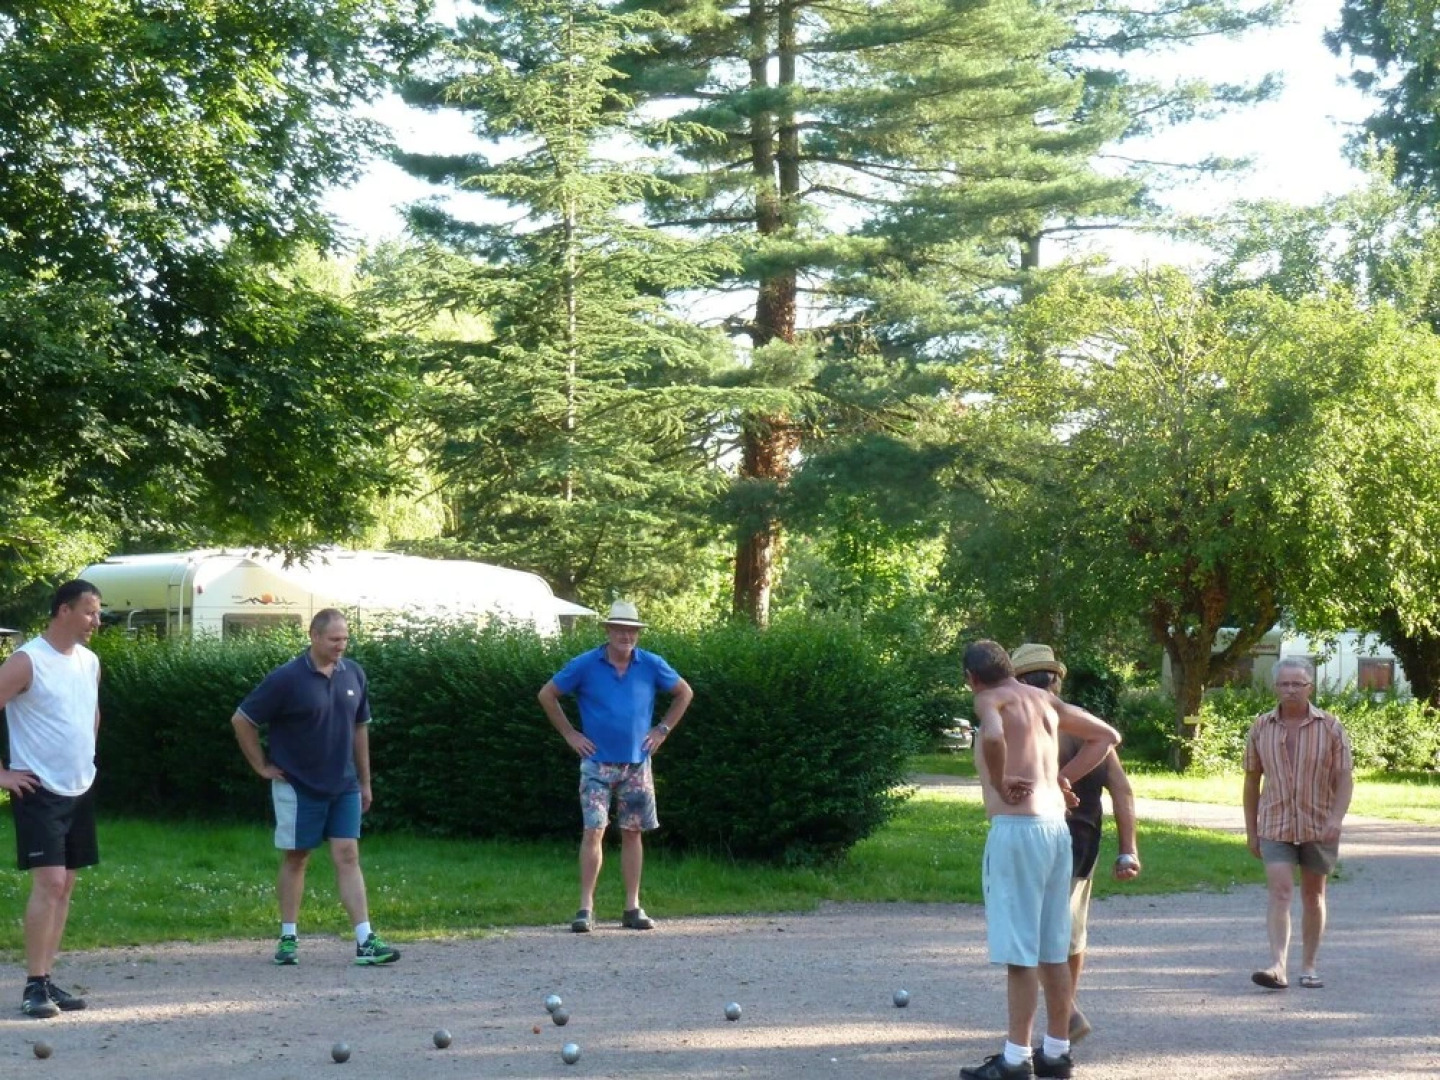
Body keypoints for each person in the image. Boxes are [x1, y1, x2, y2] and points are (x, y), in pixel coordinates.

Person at [960, 640, 1121, 1080]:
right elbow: (1107, 736)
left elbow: (992, 735)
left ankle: (1015, 1059)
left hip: (1018, 830)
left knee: (1020, 952)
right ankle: (1056, 1052)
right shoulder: (1046, 700)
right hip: (1056, 828)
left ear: (971, 678)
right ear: (1009, 667)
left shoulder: (990, 698)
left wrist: (1001, 778)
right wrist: (1060, 778)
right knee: (1053, 946)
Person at [231, 609, 400, 967]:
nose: (341, 646)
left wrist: (365, 782)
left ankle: (365, 940)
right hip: (298, 785)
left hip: (344, 785)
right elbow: (242, 719)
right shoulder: (286, 679)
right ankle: (288, 938)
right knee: (297, 857)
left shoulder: (354, 673)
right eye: (334, 639)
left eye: (345, 639)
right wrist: (261, 766)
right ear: (314, 636)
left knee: (347, 855)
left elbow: (360, 729)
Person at [1010, 643, 1140, 1045]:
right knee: (1071, 932)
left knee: (1036, 935)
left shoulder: (1025, 724)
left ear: (1017, 682)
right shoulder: (1086, 725)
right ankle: (1065, 1014)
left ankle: (1063, 1016)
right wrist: (1127, 849)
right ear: (1056, 679)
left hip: (1041, 838)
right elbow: (1122, 791)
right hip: (1085, 841)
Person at [538, 600, 693, 933]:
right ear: (608, 631)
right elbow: (547, 694)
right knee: (593, 830)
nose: (626, 636)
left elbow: (684, 693)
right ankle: (585, 908)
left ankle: (632, 907)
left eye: (632, 630)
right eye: (620, 629)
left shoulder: (651, 664)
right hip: (596, 764)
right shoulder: (585, 665)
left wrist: (662, 730)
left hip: (636, 764)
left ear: (637, 633)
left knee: (633, 833)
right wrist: (569, 734)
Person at [0, 580, 104, 1018]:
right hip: (38, 788)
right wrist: (2, 774)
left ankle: (47, 976)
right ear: (63, 611)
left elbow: (92, 713)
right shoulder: (27, 661)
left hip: (79, 785)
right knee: (51, 882)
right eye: (89, 612)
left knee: (68, 884)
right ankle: (33, 987)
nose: (96, 621)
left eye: (98, 613)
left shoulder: (90, 661)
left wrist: (86, 756)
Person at [1243, 656, 1352, 991]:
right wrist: (1251, 830)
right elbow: (1251, 782)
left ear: (1310, 687)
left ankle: (1309, 965)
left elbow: (1345, 778)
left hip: (1319, 823)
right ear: (1275, 687)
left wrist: (1336, 818)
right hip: (1275, 823)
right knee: (1280, 891)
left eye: (1297, 684)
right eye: (1284, 684)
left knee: (1313, 894)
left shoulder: (1331, 727)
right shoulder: (1261, 727)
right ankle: (1278, 966)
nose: (1290, 690)